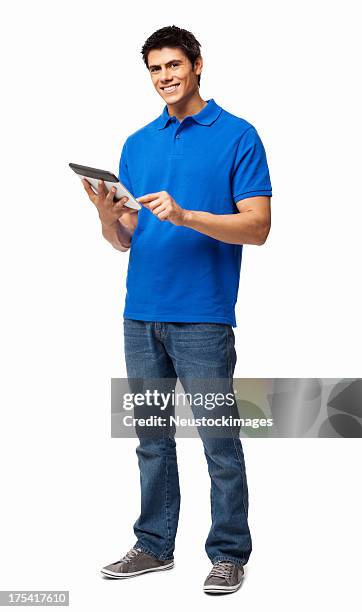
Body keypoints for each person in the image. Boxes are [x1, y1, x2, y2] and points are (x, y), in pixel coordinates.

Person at [82, 25, 272, 595]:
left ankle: (229, 553)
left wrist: (188, 215)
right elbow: (127, 238)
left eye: (173, 65)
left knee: (218, 437)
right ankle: (154, 546)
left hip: (204, 315)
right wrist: (105, 213)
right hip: (140, 313)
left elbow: (257, 227)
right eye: (155, 69)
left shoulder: (238, 135)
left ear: (197, 65)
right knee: (151, 436)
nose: (165, 77)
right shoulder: (137, 144)